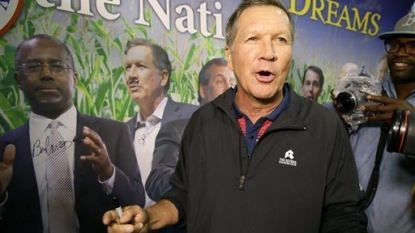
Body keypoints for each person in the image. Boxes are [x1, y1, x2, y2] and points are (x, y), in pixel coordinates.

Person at [103, 0, 368, 232]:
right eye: (253, 39)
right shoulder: (202, 121)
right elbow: (184, 195)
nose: (269, 53)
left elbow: (344, 218)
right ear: (229, 56)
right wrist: (150, 217)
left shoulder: (325, 127)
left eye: (281, 40)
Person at [0, 34, 145, 233]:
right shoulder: (4, 148)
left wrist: (108, 173)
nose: (46, 74)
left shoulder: (114, 133)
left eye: (58, 65)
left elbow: (137, 201)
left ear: (74, 79)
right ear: (18, 80)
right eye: (33, 66)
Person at [327, 7, 415, 233]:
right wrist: (337, 116)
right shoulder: (366, 92)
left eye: (412, 46)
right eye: (395, 45)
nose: (400, 53)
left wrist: (411, 123)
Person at [146, 57, 234, 202]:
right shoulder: (177, 131)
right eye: (220, 81)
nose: (229, 88)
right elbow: (157, 179)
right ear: (203, 90)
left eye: (232, 82)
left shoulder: (244, 135)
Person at [123, 38, 198, 208]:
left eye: (141, 66)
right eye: (128, 68)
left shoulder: (193, 117)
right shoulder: (123, 131)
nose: (132, 75)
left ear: (163, 77)